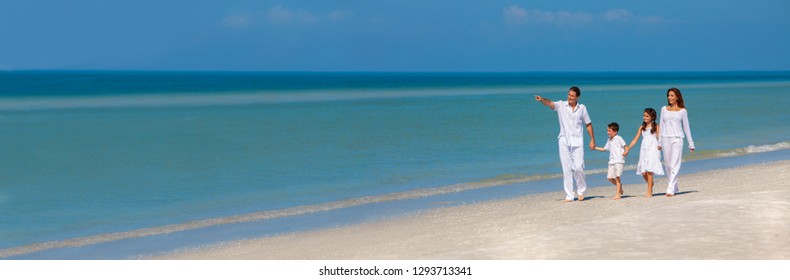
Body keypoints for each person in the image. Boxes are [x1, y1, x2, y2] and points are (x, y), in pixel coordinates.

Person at [535, 86, 596, 202]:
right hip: (563, 141)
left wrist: (592, 139)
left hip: (577, 142)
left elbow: (588, 124)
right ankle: (569, 195)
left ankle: (581, 190)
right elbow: (550, 103)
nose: (569, 97)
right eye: (568, 95)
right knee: (566, 169)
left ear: (577, 97)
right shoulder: (561, 105)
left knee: (578, 167)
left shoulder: (582, 108)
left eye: (572, 96)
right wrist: (542, 99)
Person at [658, 88, 695, 197]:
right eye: (668, 95)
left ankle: (670, 188)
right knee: (668, 165)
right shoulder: (663, 109)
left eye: (672, 95)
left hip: (677, 138)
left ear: (677, 97)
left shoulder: (683, 111)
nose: (669, 97)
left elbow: (686, 128)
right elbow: (661, 125)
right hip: (665, 138)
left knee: (675, 164)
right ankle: (674, 185)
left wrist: (690, 143)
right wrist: (659, 142)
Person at [624, 108, 664, 198]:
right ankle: (651, 184)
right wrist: (628, 149)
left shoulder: (656, 126)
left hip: (653, 149)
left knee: (650, 170)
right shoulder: (642, 127)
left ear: (652, 117)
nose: (644, 117)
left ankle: (649, 191)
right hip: (644, 150)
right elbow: (635, 139)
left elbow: (660, 138)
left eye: (647, 116)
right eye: (644, 116)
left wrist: (660, 145)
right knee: (643, 172)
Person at [594, 122, 626, 200]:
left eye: (609, 131)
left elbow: (625, 145)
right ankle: (620, 186)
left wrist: (626, 151)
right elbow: (604, 149)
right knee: (609, 177)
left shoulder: (618, 138)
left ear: (615, 132)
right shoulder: (609, 140)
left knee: (617, 176)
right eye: (607, 131)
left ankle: (617, 194)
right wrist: (594, 147)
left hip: (619, 160)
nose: (607, 132)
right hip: (611, 161)